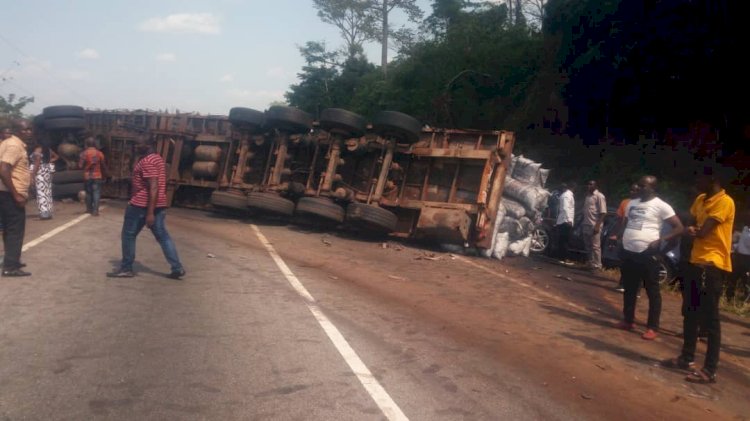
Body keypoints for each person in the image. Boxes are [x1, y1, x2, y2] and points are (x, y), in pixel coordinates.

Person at [662, 166, 735, 384]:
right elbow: (691, 223)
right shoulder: (702, 199)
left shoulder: (725, 201)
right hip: (695, 261)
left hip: (711, 264)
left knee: (710, 318)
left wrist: (693, 230)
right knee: (690, 312)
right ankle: (687, 357)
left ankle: (710, 369)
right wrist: (691, 229)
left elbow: (702, 231)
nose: (697, 184)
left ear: (712, 179)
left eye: (700, 179)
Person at [614, 176, 683, 340]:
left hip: (647, 253)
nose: (639, 187)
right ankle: (628, 320)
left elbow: (679, 227)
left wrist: (662, 240)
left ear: (652, 188)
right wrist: (619, 238)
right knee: (629, 288)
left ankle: (652, 327)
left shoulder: (661, 205)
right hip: (629, 251)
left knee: (652, 290)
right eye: (638, 184)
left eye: (642, 185)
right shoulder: (632, 203)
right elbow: (626, 224)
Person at [107, 135, 185, 279]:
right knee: (163, 237)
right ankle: (177, 267)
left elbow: (153, 186)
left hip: (141, 205)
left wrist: (150, 213)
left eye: (138, 144)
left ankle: (126, 268)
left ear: (148, 144)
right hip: (159, 204)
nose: (135, 147)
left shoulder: (147, 161)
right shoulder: (157, 158)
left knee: (128, 235)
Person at [0, 120, 32, 276]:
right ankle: (10, 267)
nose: (28, 132)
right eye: (25, 130)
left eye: (29, 129)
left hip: (5, 192)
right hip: (10, 193)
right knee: (15, 230)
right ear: (16, 131)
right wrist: (15, 194)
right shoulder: (14, 146)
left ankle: (11, 260)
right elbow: (4, 168)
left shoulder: (9, 143)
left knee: (8, 229)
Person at [611, 183, 641, 291]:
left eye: (635, 190)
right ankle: (622, 284)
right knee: (623, 261)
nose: (632, 192)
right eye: (631, 190)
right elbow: (620, 220)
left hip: (637, 236)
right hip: (624, 235)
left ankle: (636, 288)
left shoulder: (642, 204)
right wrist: (616, 233)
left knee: (636, 263)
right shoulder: (625, 202)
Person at [582, 180, 607, 271]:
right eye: (588, 184)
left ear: (596, 186)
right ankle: (590, 263)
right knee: (588, 245)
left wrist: (597, 225)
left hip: (594, 225)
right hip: (586, 224)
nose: (589, 186)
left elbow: (603, 212)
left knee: (595, 246)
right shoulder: (588, 196)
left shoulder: (599, 196)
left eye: (591, 184)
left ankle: (597, 265)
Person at [79, 137, 108, 216]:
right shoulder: (99, 153)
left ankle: (89, 209)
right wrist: (105, 174)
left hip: (87, 176)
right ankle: (95, 211)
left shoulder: (84, 153)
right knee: (96, 193)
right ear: (94, 144)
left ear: (87, 144)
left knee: (88, 193)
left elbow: (80, 166)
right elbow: (103, 165)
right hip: (97, 176)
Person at [30, 144, 59, 220]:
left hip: (39, 172)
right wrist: (48, 162)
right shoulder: (48, 150)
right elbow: (56, 156)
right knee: (47, 192)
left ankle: (44, 213)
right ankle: (49, 212)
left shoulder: (38, 150)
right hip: (46, 171)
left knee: (41, 192)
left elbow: (37, 161)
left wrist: (33, 174)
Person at [727, 207, 750, 301]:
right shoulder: (745, 229)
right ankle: (729, 297)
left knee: (746, 280)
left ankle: (746, 299)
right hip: (739, 257)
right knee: (733, 277)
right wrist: (734, 247)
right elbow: (740, 243)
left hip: (748, 259)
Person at [554, 182, 575, 265]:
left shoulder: (565, 195)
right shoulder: (567, 195)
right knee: (565, 240)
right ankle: (563, 258)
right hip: (565, 221)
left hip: (563, 220)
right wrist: (569, 220)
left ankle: (561, 258)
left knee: (562, 240)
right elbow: (566, 208)